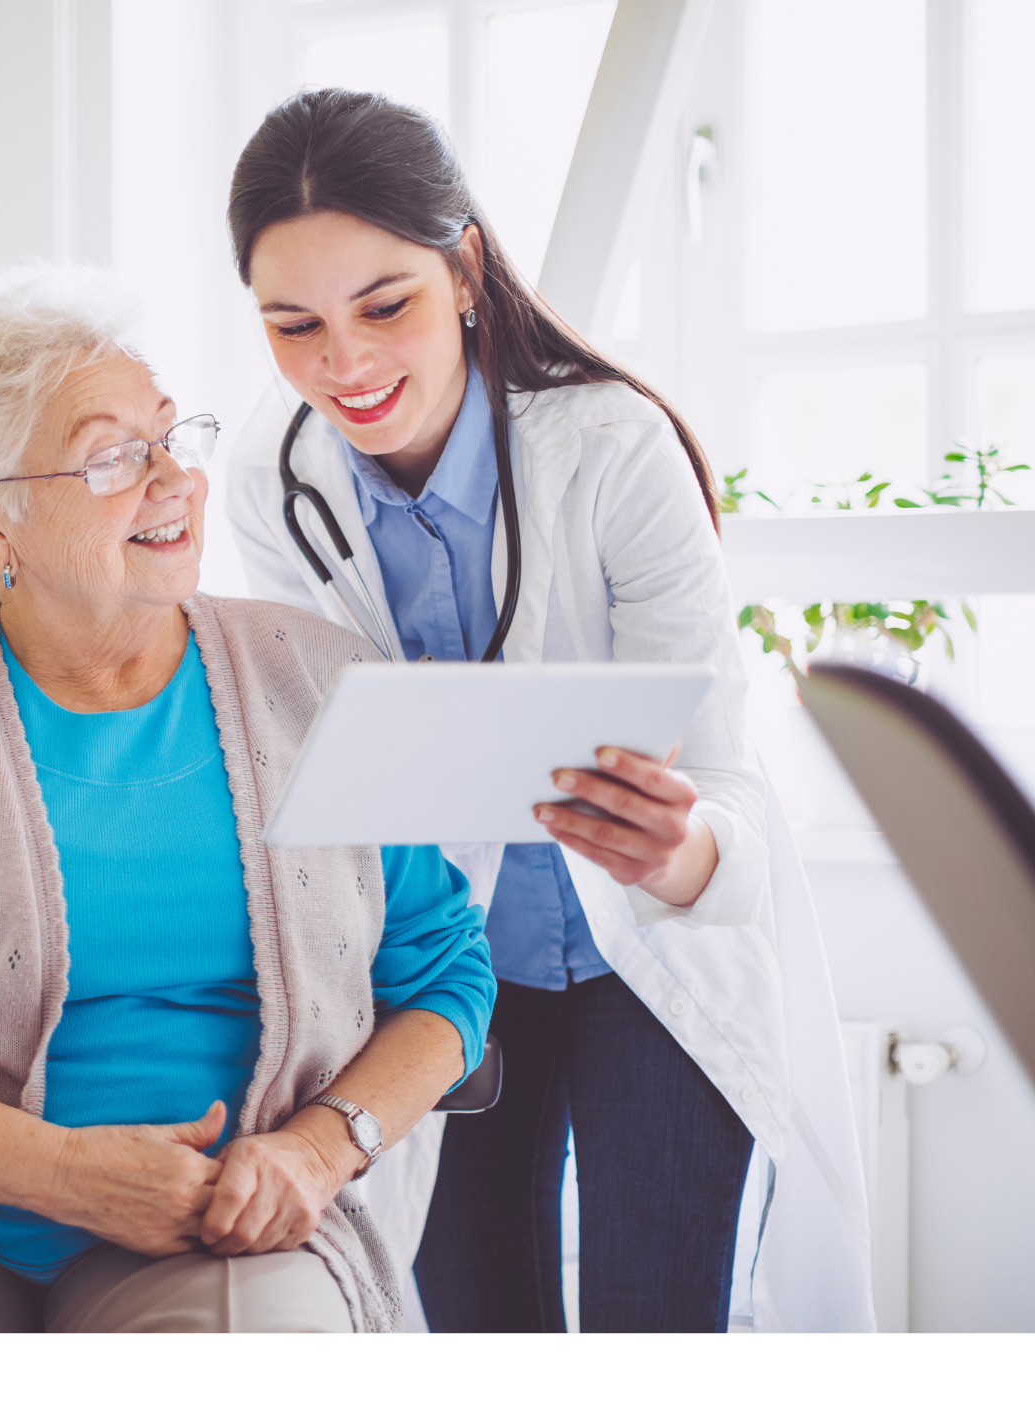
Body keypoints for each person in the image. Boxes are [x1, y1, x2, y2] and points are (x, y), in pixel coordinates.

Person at [0, 265, 494, 1334]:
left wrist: (316, 1148)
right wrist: (57, 1172)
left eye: (170, 436)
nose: (169, 478)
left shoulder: (321, 683)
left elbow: (443, 974)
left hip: (220, 1226)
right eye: (111, 456)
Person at [222, 89, 873, 1334]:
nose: (343, 367)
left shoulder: (612, 450)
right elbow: (336, 755)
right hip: (442, 981)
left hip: (652, 966)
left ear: (463, 268)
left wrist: (678, 852)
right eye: (290, 325)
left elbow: (722, 777)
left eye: (385, 305)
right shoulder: (275, 478)